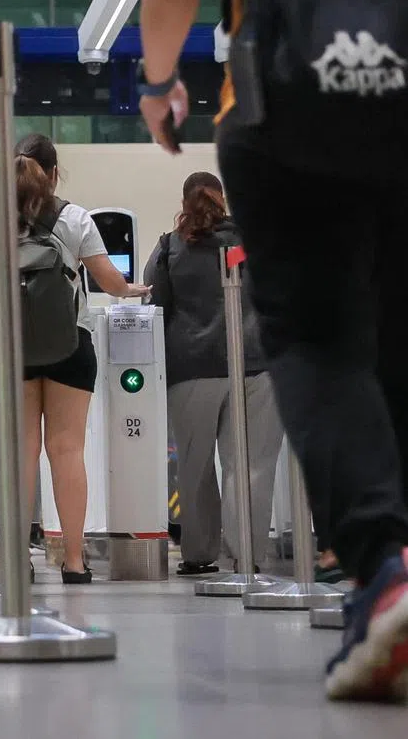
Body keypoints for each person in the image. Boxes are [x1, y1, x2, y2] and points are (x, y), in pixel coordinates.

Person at [138, 0, 408, 700]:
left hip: (283, 124)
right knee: (396, 338)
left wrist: (161, 87)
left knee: (318, 344)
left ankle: (383, 570)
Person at [14, 134, 147, 583]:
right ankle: (73, 561)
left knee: (22, 452)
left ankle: (17, 561)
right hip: (70, 344)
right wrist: (133, 289)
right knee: (66, 450)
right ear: (53, 173)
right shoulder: (73, 218)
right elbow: (110, 282)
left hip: (14, 350)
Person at [144, 172, 283, 576]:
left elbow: (156, 303)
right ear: (224, 199)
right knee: (252, 464)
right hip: (257, 366)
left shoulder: (170, 246)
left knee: (195, 465)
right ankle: (249, 556)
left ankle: (199, 554)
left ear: (184, 203)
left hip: (192, 369)